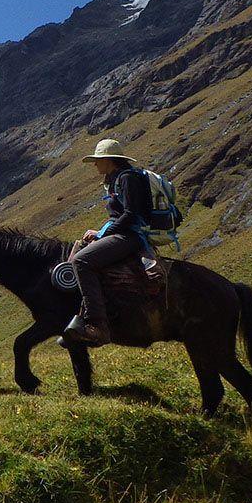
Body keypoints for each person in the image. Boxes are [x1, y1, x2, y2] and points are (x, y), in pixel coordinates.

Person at [64, 139, 154, 347]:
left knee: (81, 262)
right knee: (76, 253)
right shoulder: (117, 179)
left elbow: (131, 214)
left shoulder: (127, 178)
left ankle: (97, 327)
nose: (95, 165)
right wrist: (101, 231)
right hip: (123, 233)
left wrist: (102, 233)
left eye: (98, 160)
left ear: (108, 160)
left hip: (129, 237)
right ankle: (79, 320)